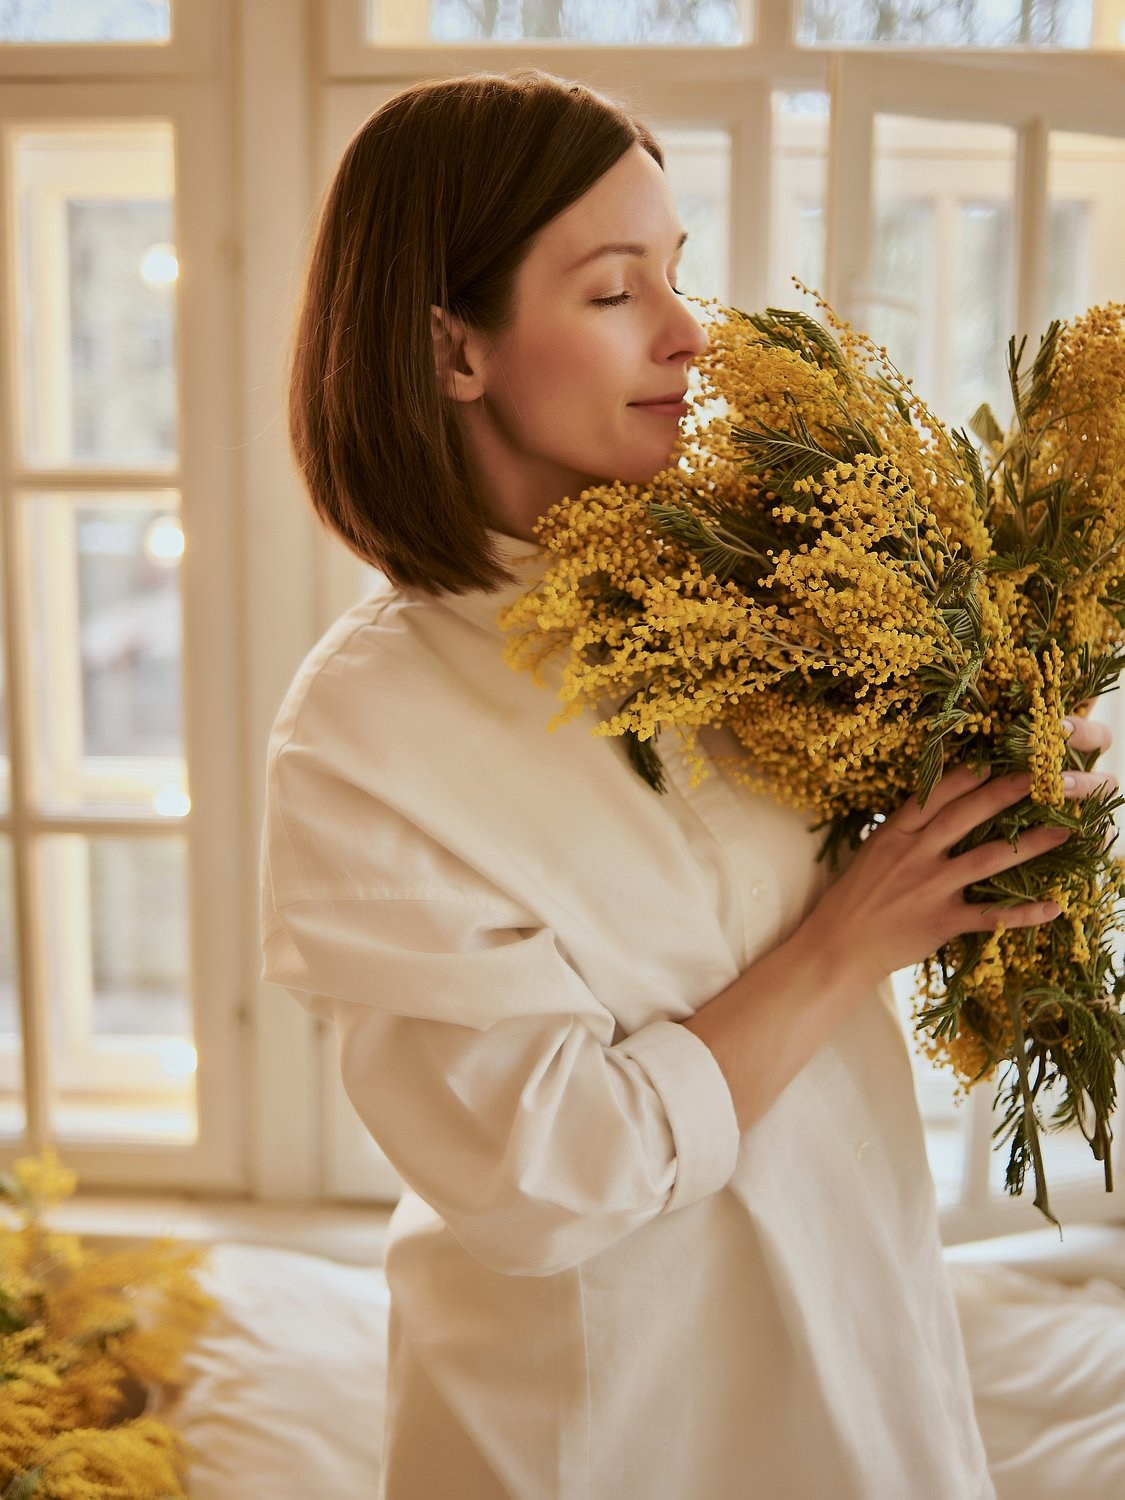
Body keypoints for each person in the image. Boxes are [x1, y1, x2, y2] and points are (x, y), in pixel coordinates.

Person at [260, 69, 1114, 1499]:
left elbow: (907, 847)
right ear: (451, 348)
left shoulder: (755, 595)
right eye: (612, 292)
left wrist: (1018, 738)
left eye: (676, 269)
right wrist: (855, 938)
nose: (689, 333)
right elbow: (546, 1177)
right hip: (595, 1437)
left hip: (863, 1364)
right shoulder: (364, 734)